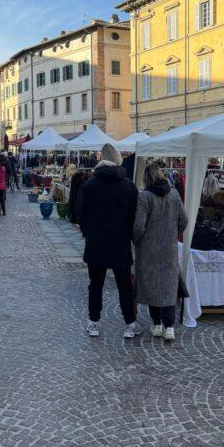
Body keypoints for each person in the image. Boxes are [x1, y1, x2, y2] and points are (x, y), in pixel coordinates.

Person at [78, 143, 140, 339]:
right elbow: (134, 216)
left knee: (95, 284)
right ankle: (130, 323)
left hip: (96, 243)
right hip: (120, 243)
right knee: (125, 285)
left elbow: (82, 216)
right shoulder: (129, 186)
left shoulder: (89, 185)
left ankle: (93, 322)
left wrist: (89, 234)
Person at [132, 163, 188, 341]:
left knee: (152, 286)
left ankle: (156, 324)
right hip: (169, 248)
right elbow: (184, 220)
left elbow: (138, 226)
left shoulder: (144, 197)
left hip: (148, 250)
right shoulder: (174, 194)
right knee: (168, 287)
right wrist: (173, 233)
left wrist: (135, 239)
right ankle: (169, 327)